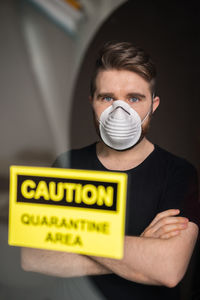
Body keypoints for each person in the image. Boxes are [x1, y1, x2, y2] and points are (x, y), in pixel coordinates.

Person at [21, 41, 199, 299]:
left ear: (154, 104)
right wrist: (140, 250)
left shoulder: (179, 173)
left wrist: (71, 234)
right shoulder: (65, 165)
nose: (119, 111)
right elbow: (32, 258)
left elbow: (168, 269)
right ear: (92, 101)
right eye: (107, 98)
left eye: (134, 98)